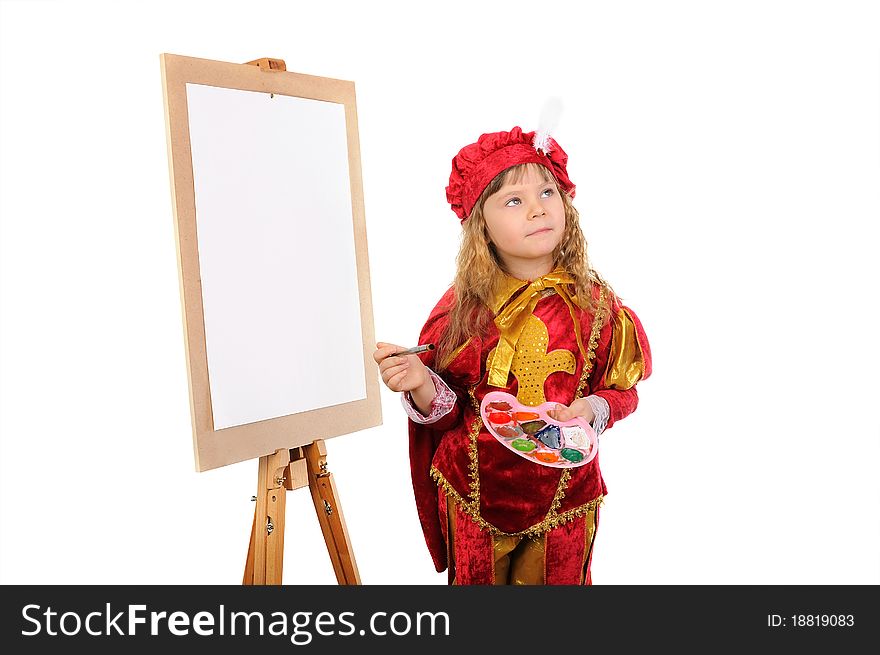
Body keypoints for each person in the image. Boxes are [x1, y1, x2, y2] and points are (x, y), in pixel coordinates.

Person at [373, 126, 652, 585]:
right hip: (477, 497)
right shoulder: (464, 310)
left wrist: (594, 408)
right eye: (514, 200)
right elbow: (448, 415)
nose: (539, 208)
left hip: (566, 498)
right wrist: (421, 381)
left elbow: (624, 392)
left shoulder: (598, 306)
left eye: (546, 191)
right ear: (481, 225)